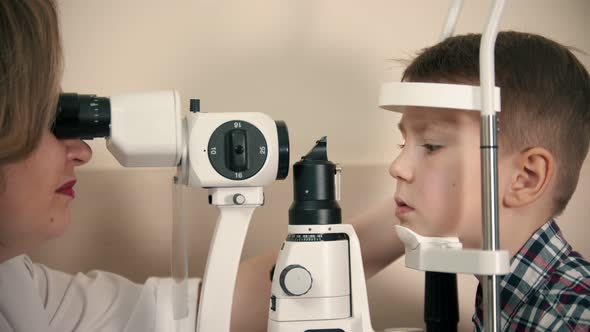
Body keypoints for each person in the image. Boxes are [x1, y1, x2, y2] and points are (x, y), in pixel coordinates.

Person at [0, 2, 401, 331]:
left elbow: (190, 314)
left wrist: (404, 218)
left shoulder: (18, 286)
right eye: (47, 119)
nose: (82, 151)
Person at [389, 31, 590, 330]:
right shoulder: (506, 301)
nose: (397, 167)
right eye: (403, 144)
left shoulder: (569, 321)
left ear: (525, 178)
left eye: (431, 145)